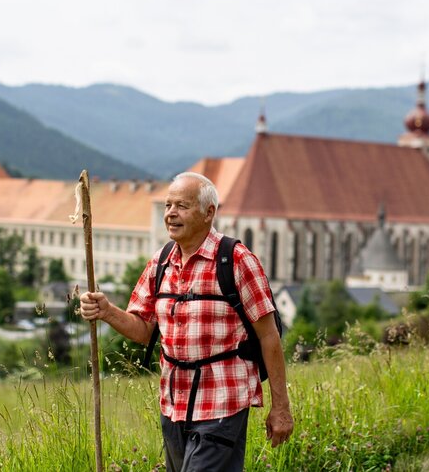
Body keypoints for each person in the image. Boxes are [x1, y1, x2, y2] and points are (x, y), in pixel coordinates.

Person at [80, 172, 293, 471]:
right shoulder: (161, 261)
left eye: (181, 205)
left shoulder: (236, 260)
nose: (170, 213)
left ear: (209, 213)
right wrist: (106, 311)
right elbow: (144, 330)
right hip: (173, 404)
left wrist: (280, 407)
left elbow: (268, 335)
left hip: (223, 402)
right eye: (168, 205)